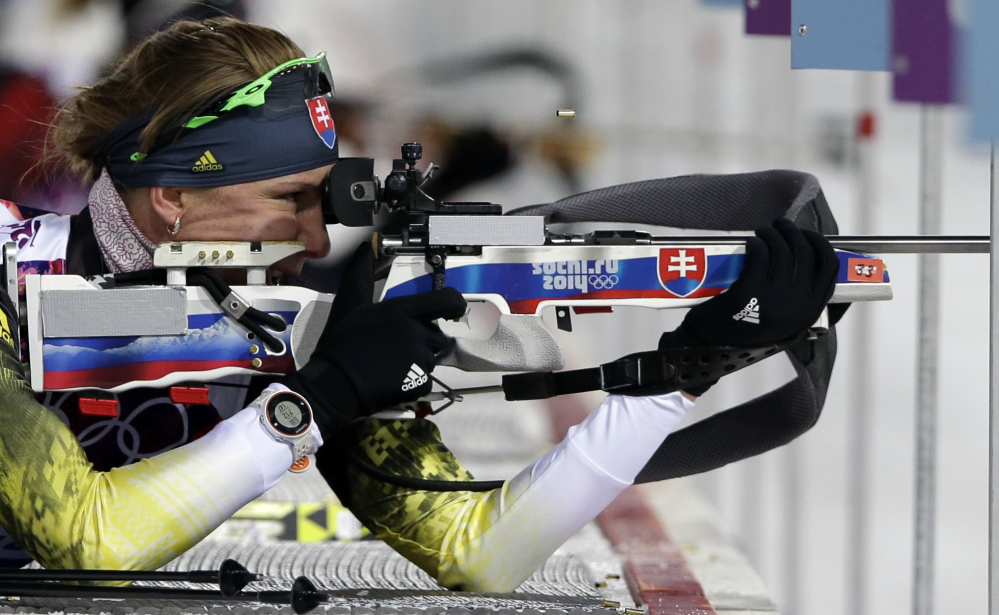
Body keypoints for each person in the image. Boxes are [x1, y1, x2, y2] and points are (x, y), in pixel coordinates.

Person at [0, 17, 839, 592]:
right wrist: (314, 403)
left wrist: (678, 376)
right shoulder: (8, 291)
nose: (317, 238)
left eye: (323, 199)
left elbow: (478, 551)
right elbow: (92, 539)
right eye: (290, 198)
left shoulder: (260, 325)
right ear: (176, 198)